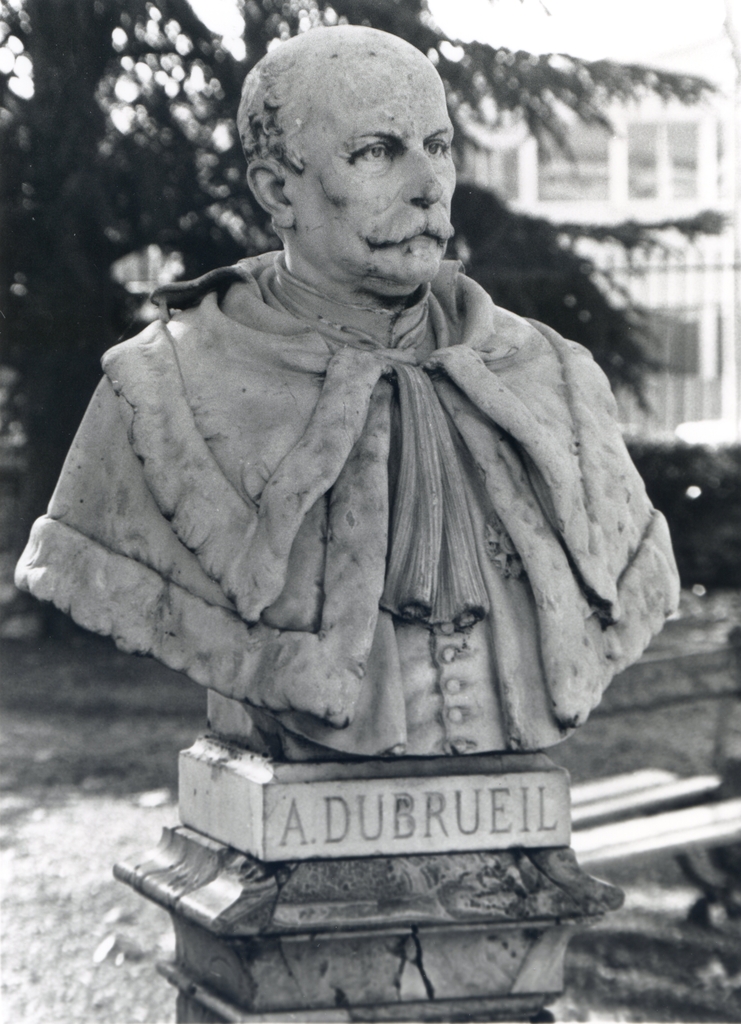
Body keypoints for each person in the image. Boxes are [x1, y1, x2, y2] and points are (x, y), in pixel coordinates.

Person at [16, 26, 679, 761]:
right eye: (376, 152)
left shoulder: (552, 376)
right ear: (277, 189)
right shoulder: (155, 394)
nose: (427, 185)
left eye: (438, 145)